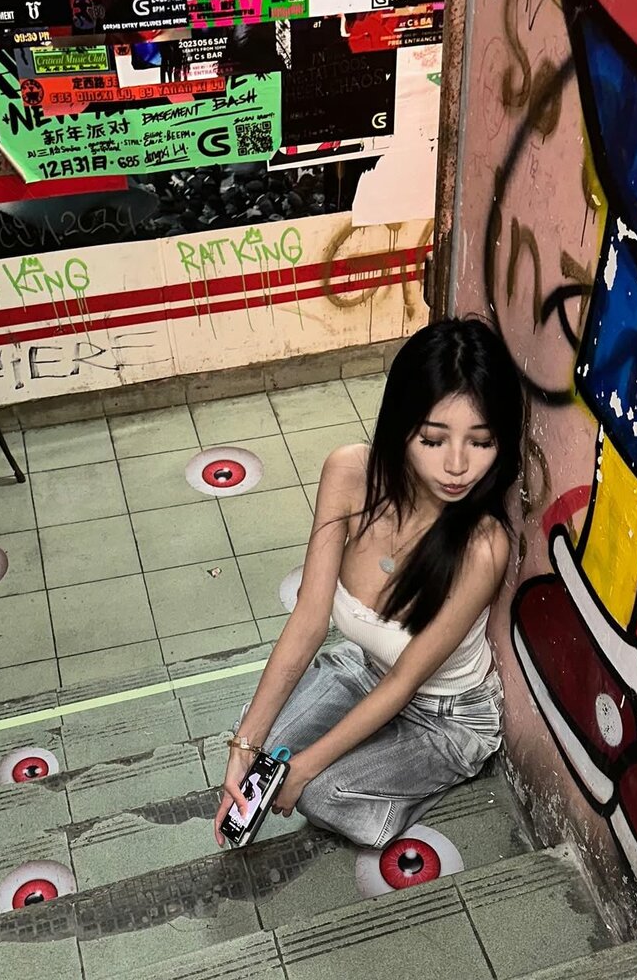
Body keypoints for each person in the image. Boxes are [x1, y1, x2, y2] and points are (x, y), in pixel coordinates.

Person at [214, 317, 524, 850]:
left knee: (319, 793)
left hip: (445, 718)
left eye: (481, 442)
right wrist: (244, 745)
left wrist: (306, 769)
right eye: (433, 439)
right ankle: (356, 753)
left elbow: (405, 682)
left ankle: (408, 784)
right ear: (401, 424)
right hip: (363, 671)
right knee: (263, 752)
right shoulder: (349, 474)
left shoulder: (482, 545)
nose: (457, 466)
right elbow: (309, 619)